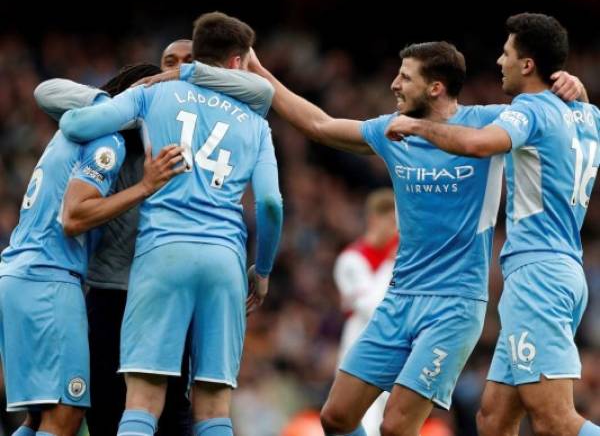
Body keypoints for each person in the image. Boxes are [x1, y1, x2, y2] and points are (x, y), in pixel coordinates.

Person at [242, 41, 583, 436]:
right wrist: (261, 74)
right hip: (399, 298)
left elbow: (551, 116)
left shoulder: (489, 124)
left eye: (405, 77)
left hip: (454, 306)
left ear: (435, 87)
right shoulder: (392, 131)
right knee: (335, 417)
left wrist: (574, 87)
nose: (394, 85)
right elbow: (319, 124)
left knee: (397, 426)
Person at [35, 38, 275, 436]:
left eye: (188, 64)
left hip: (166, 292)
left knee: (167, 414)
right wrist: (126, 105)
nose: (174, 73)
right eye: (168, 63)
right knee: (110, 411)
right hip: (112, 294)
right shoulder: (117, 139)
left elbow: (262, 93)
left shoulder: (202, 142)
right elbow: (46, 92)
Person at [384, 13, 600, 436]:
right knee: (494, 419)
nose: (499, 61)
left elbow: (481, 145)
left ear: (527, 64)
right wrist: (578, 87)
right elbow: (579, 108)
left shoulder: (531, 109)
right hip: (560, 270)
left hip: (538, 275)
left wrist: (417, 126)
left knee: (556, 421)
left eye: (506, 53)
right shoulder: (587, 115)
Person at [0, 63, 184, 436]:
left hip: (20, 275)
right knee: (66, 416)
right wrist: (144, 187)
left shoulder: (72, 133)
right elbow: (75, 216)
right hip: (50, 282)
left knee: (38, 418)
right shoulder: (108, 143)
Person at [333, 188, 397, 435]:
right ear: (374, 219)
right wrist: (392, 264)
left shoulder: (399, 254)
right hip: (358, 347)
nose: (396, 230)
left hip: (394, 348)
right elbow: (373, 309)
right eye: (392, 222)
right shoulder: (349, 260)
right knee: (363, 424)